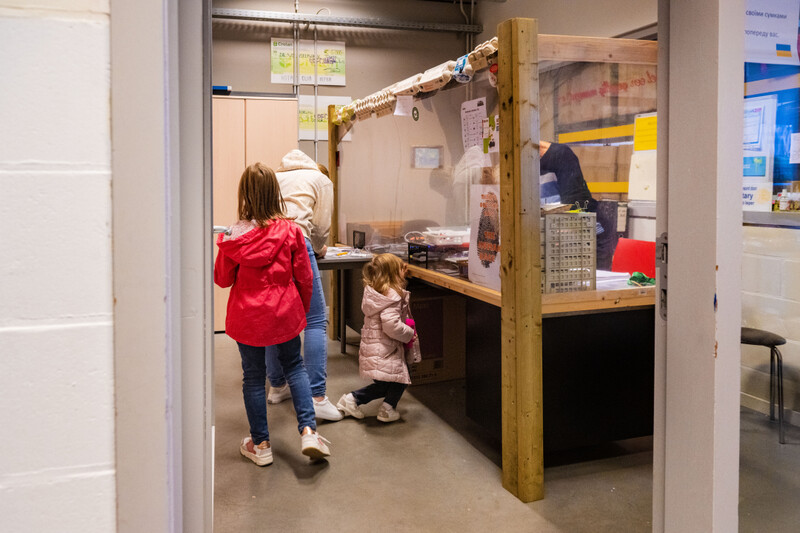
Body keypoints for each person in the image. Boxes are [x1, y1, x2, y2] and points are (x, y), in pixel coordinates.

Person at [215, 162, 331, 465]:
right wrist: (300, 311)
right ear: (274, 193)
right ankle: (308, 431)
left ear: (245, 195)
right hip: (284, 311)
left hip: (247, 317)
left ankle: (261, 444)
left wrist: (223, 244)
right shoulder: (291, 231)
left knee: (253, 378)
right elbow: (304, 278)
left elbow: (222, 279)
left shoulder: (235, 235)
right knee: (295, 368)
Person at [264, 150, 343, 421]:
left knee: (274, 320)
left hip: (268, 247)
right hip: (298, 242)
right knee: (316, 321)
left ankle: (277, 387)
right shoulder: (319, 179)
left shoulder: (274, 177)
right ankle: (317, 396)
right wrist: (318, 249)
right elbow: (321, 226)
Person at [336, 254, 421, 423]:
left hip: (377, 347)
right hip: (386, 349)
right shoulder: (392, 297)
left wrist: (399, 278)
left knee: (395, 380)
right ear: (393, 274)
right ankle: (354, 400)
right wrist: (409, 333)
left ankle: (386, 408)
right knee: (396, 379)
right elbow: (392, 326)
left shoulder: (376, 293)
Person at [539, 140, 614, 268]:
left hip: (589, 233)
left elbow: (574, 208)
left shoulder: (560, 155)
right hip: (558, 236)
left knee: (588, 284)